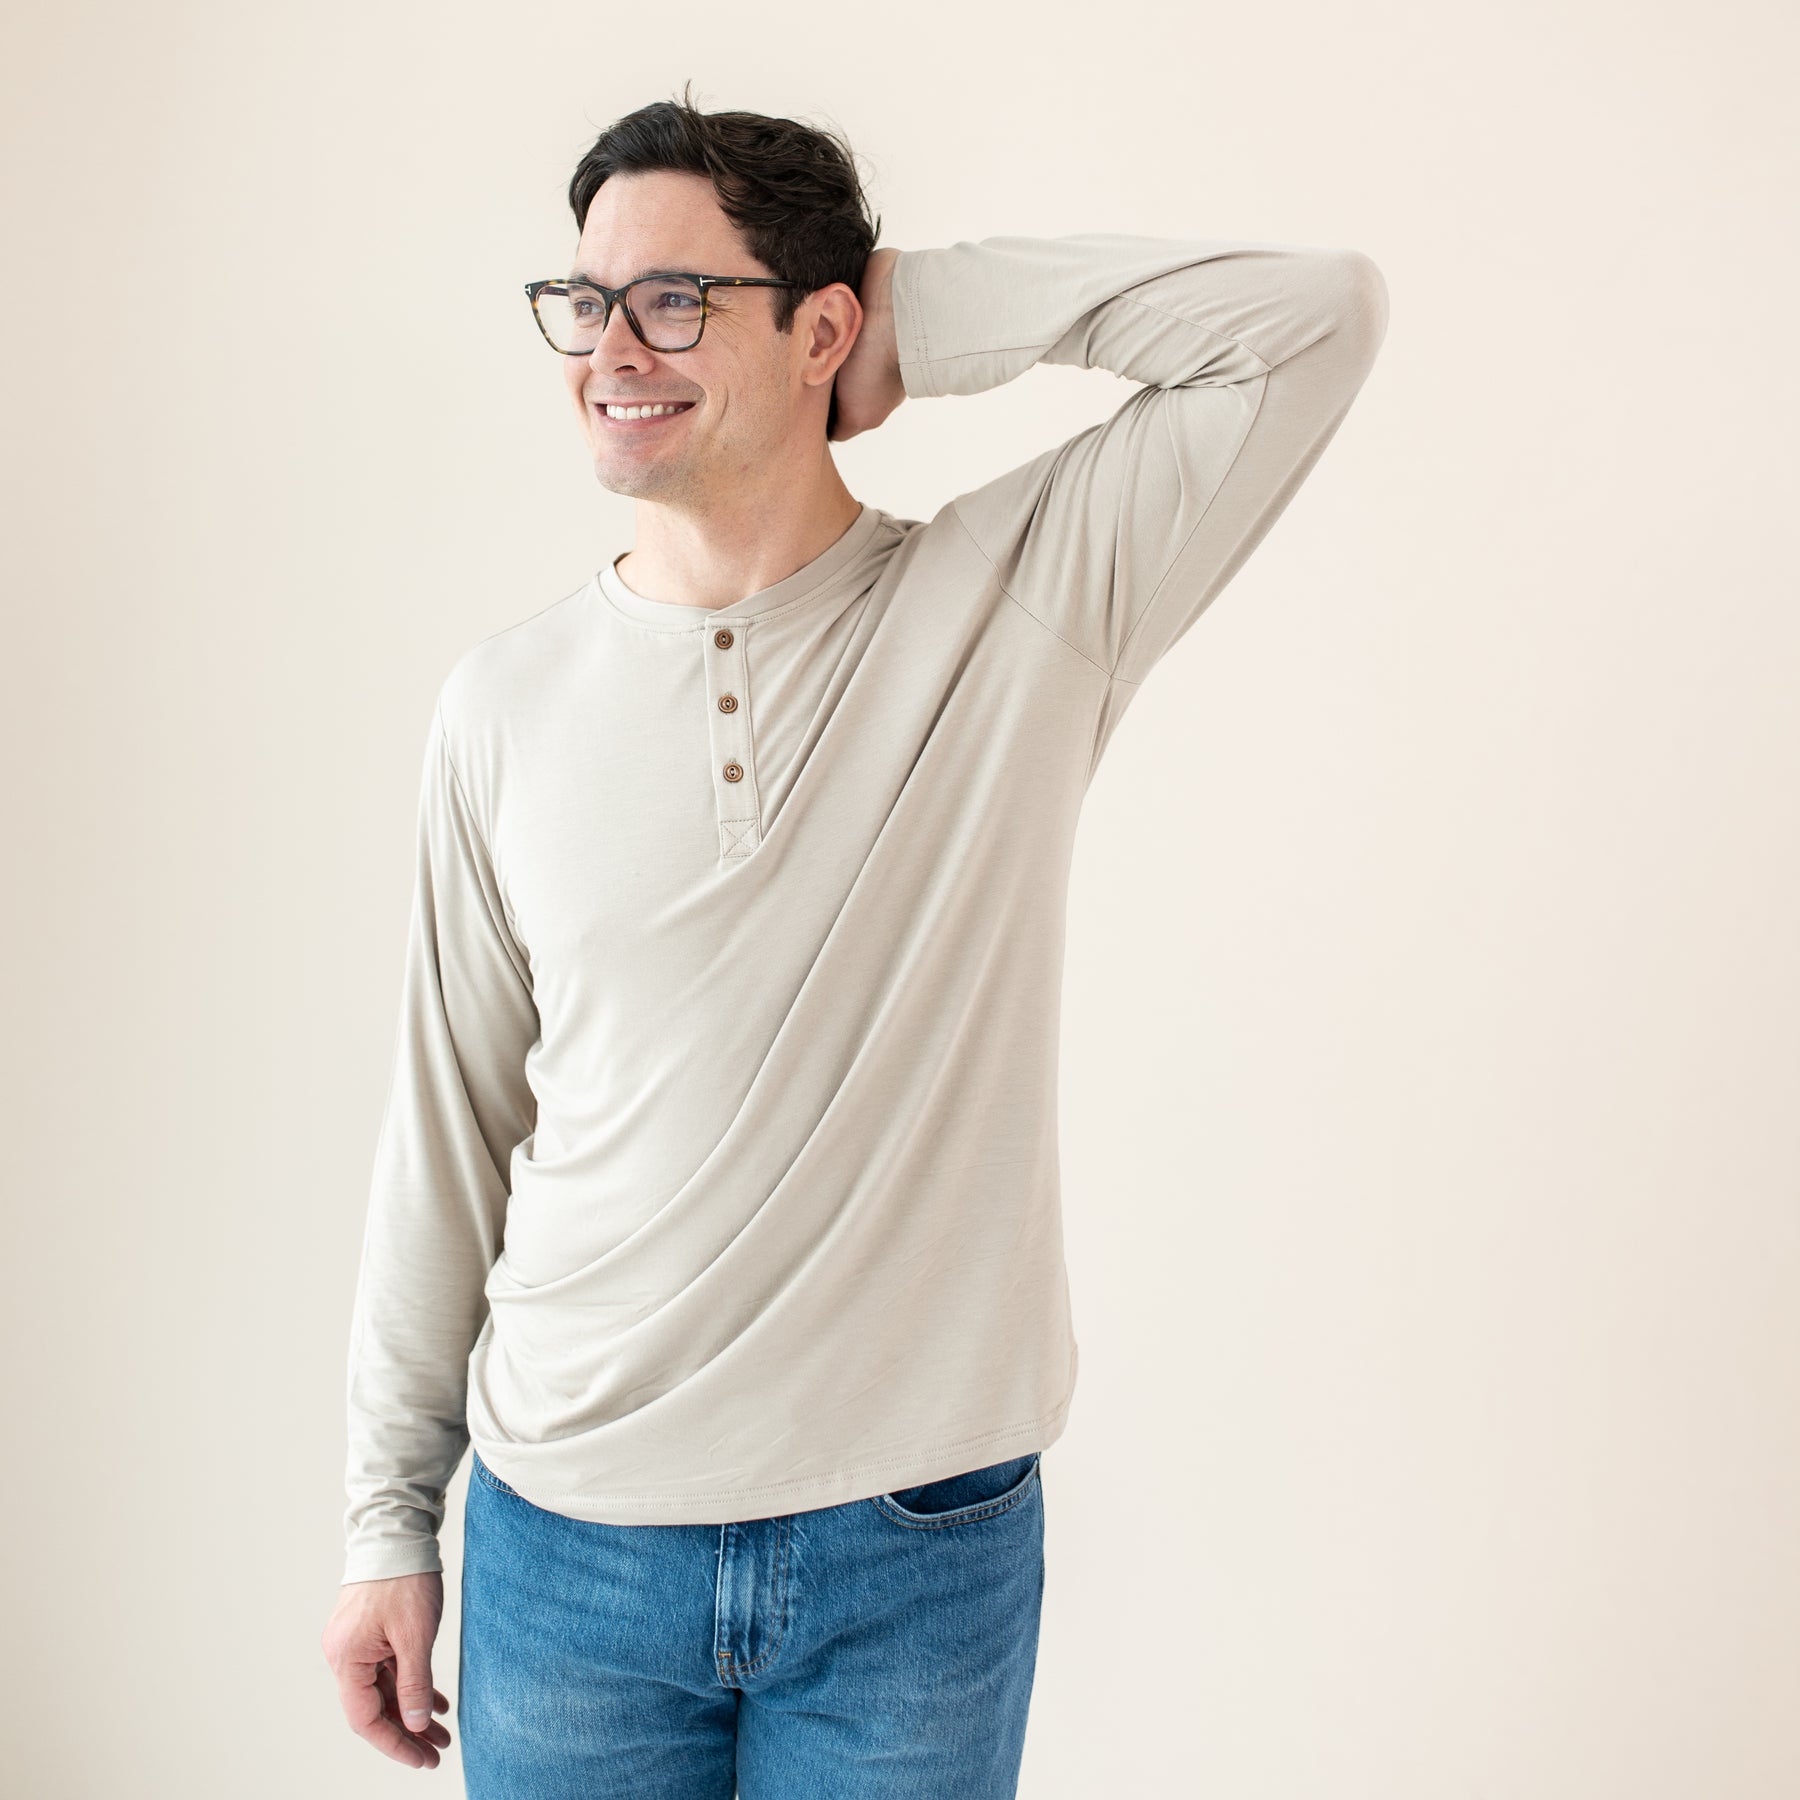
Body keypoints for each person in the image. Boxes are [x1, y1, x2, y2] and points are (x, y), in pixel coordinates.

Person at [319, 80, 1388, 1799]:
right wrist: (387, 1517)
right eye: (584, 304)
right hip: (569, 1546)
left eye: (676, 298)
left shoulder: (1024, 600)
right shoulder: (502, 707)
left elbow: (1313, 314)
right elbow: (447, 1134)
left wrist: (924, 318)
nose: (612, 347)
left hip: (916, 1544)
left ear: (824, 326)